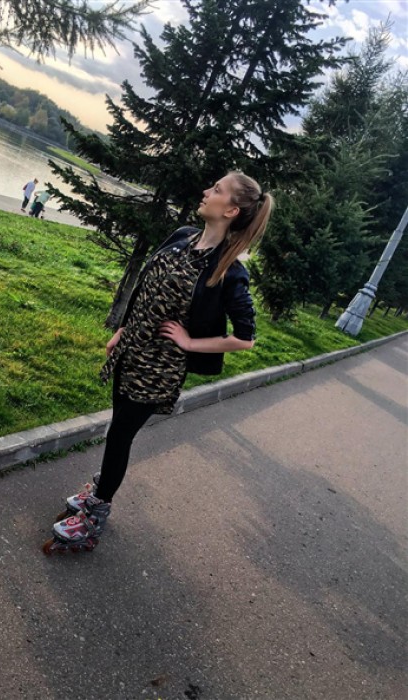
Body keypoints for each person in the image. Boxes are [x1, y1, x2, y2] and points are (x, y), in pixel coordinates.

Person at [42, 171, 274, 554]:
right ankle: (98, 492)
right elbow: (145, 289)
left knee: (119, 437)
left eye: (217, 190)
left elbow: (245, 338)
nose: (206, 191)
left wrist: (189, 342)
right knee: (117, 431)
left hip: (158, 371)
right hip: (131, 352)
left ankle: (95, 516)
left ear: (231, 210)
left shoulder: (229, 271)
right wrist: (122, 330)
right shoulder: (183, 236)